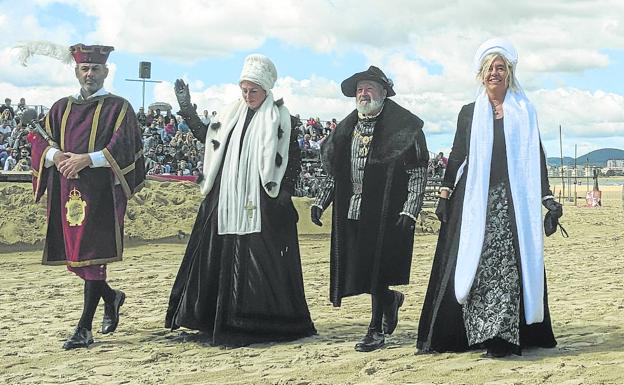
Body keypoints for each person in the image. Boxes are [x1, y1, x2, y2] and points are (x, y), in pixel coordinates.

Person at [416, 38, 561, 358]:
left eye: (501, 68)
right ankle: (478, 332)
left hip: (511, 204)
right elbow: (456, 157)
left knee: (508, 265)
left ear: (509, 74)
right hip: (473, 201)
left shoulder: (524, 111)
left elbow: (535, 155)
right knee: (475, 265)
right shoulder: (469, 113)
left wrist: (547, 197)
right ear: (480, 75)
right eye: (489, 69)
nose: (494, 73)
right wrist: (444, 195)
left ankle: (502, 335)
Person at [165, 53, 316, 346]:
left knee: (258, 260)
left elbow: (292, 159)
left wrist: (286, 191)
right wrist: (186, 107)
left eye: (254, 91)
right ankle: (212, 319)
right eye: (244, 90)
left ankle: (258, 323)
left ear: (266, 90)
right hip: (225, 196)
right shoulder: (228, 114)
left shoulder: (282, 118)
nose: (248, 96)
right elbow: (204, 136)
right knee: (217, 255)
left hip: (262, 198)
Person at [29, 43, 145, 350]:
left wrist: (87, 159)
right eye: (84, 69)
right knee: (76, 259)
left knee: (92, 257)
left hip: (103, 191)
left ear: (106, 71)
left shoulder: (118, 107)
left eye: (95, 69)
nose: (89, 74)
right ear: (76, 71)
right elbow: (39, 141)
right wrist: (56, 156)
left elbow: (125, 145)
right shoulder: (60, 107)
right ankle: (112, 297)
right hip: (68, 191)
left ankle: (84, 328)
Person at [311, 66, 429, 352]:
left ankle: (375, 329)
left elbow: (418, 171)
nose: (364, 93)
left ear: (384, 92)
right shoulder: (345, 129)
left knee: (378, 268)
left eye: (370, 88)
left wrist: (410, 209)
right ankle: (390, 300)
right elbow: (334, 170)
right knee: (360, 267)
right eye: (360, 89)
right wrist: (320, 201)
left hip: (388, 209)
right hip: (352, 208)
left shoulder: (406, 127)